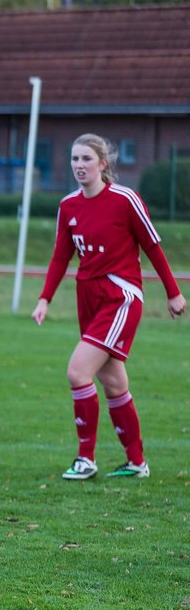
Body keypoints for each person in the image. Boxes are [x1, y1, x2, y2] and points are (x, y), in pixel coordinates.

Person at [31, 133, 185, 480]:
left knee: (77, 372)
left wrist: (173, 293)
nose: (79, 166)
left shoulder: (125, 199)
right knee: (113, 382)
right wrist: (45, 299)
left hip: (121, 297)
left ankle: (85, 459)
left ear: (103, 164)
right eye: (74, 159)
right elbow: (60, 256)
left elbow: (153, 246)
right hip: (87, 296)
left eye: (86, 159)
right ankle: (137, 463)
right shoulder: (68, 206)